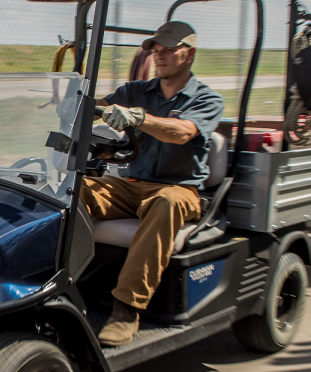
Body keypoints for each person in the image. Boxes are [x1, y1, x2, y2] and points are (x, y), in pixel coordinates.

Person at [86, 21, 224, 346]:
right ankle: (58, 279)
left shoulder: (206, 99)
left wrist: (139, 119)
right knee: (71, 190)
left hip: (179, 190)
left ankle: (126, 310)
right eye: (156, 51)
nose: (159, 57)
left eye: (168, 51)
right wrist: (75, 105)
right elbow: (94, 110)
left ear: (188, 55)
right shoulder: (136, 91)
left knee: (165, 204)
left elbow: (183, 133)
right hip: (131, 186)